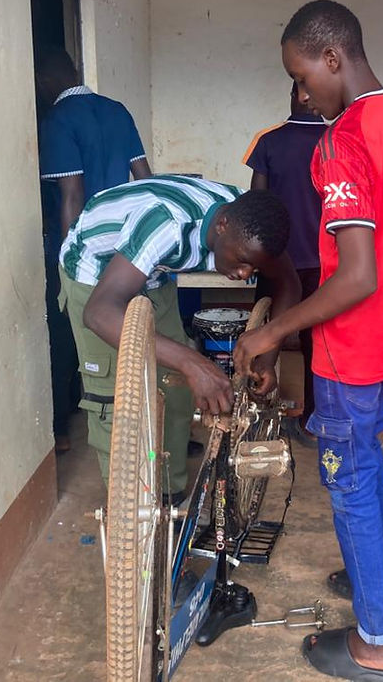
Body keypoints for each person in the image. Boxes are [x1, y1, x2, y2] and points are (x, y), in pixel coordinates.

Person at [234, 0, 383, 680]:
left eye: (302, 75)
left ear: (332, 56)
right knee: (366, 457)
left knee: (346, 475)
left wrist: (275, 332)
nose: (303, 93)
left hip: (350, 347)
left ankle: (376, 643)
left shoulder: (344, 140)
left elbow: (356, 274)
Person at [58, 175, 300, 503]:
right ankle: (130, 512)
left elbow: (289, 283)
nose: (244, 274)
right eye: (242, 261)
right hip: (96, 276)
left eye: (253, 268)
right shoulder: (166, 224)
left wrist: (268, 359)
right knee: (115, 396)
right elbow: (99, 313)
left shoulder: (252, 222)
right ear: (222, 226)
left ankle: (167, 498)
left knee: (173, 386)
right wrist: (193, 361)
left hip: (152, 271)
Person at [35, 47, 153, 452]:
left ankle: (65, 428)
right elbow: (144, 178)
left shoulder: (58, 120)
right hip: (128, 245)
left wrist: (69, 259)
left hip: (85, 246)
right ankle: (149, 423)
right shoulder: (117, 110)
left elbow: (72, 194)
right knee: (130, 329)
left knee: (72, 332)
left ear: (46, 81)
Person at [244, 82, 327, 444]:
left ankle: (257, 418)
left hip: (278, 259)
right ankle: (312, 423)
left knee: (265, 333)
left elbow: (256, 204)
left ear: (292, 95)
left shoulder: (268, 140)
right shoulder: (336, 140)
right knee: (317, 343)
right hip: (325, 260)